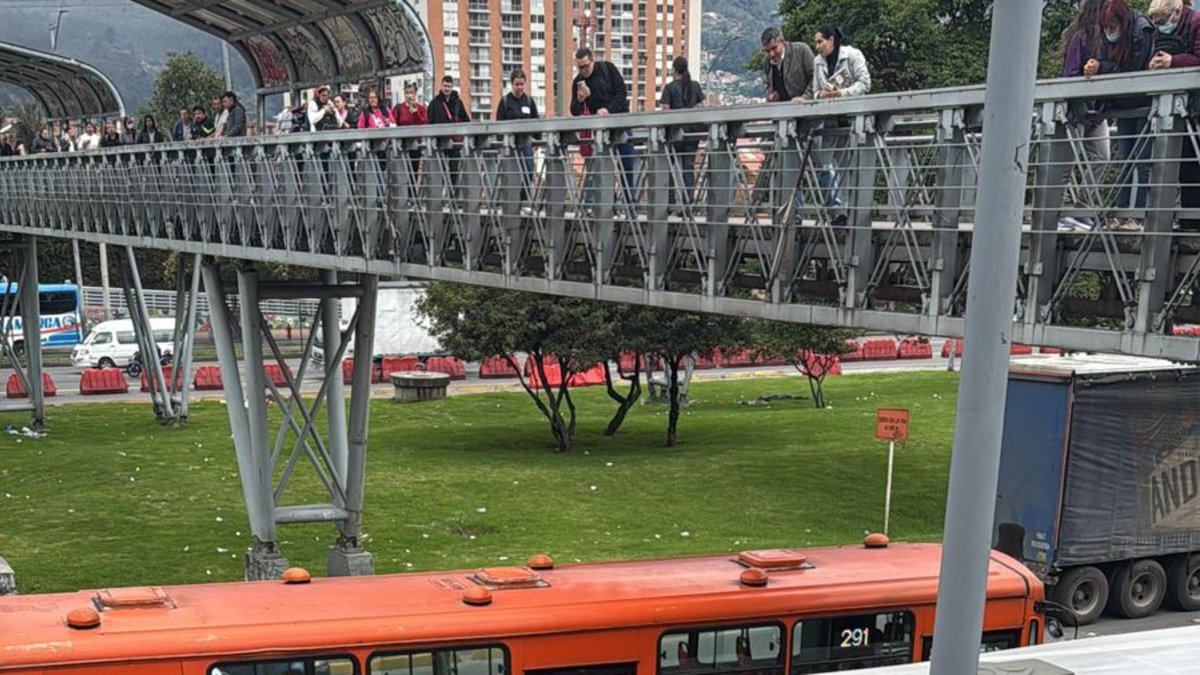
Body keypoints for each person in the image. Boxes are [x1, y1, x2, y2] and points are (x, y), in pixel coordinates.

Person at [1094, 0, 1156, 231]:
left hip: (1143, 102)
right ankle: (1121, 215)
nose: (1110, 32)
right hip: (1124, 103)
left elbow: (1135, 70)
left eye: (1112, 26)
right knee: (1125, 159)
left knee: (1142, 160)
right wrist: (1097, 66)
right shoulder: (1110, 35)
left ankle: (1137, 216)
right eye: (1106, 28)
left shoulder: (1141, 30)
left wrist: (1102, 67)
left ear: (1122, 20)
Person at [1056, 0, 1113, 232]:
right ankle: (1055, 212)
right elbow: (1070, 74)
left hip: (1097, 111)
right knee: (1065, 163)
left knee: (1102, 156)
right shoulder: (1081, 36)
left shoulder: (1108, 38)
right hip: (1078, 109)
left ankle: (1082, 208)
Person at [1148, 0, 1200, 230]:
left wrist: (1173, 61)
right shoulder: (1159, 31)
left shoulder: (1197, 23)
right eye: (1157, 23)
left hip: (1194, 104)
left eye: (1163, 21)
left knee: (1194, 162)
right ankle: (1189, 220)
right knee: (1183, 165)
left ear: (1178, 10)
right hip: (1176, 110)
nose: (1161, 27)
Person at [570, 46, 636, 204]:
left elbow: (622, 93)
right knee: (605, 168)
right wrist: (579, 100)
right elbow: (574, 111)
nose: (584, 70)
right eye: (580, 67)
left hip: (620, 122)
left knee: (626, 162)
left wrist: (608, 109)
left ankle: (629, 202)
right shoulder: (578, 81)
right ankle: (609, 203)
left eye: (586, 66)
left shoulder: (607, 69)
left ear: (592, 61)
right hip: (600, 130)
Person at [659, 56, 704, 211]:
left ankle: (671, 203)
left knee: (671, 168)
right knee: (688, 168)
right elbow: (700, 107)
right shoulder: (695, 86)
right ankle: (688, 204)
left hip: (675, 134)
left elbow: (665, 111)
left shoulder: (670, 88)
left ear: (674, 70)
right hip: (692, 133)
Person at [496, 68, 540, 201]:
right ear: (512, 84)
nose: (519, 87)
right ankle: (510, 199)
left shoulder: (529, 101)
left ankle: (524, 197)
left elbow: (536, 120)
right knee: (511, 172)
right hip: (510, 144)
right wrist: (500, 143)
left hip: (526, 142)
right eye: (517, 84)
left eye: (521, 84)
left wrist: (538, 140)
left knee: (529, 168)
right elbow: (499, 123)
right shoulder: (505, 102)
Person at [428, 75, 472, 198]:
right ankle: (439, 198)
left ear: (452, 87)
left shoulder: (458, 102)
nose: (447, 88)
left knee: (454, 170)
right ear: (441, 86)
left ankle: (454, 197)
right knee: (439, 171)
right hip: (440, 143)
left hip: (455, 143)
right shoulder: (434, 103)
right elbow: (430, 122)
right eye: (445, 86)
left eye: (449, 86)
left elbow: (466, 120)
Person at [809, 26, 871, 99]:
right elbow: (815, 92)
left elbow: (865, 84)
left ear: (831, 40)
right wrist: (820, 95)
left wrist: (841, 93)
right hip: (830, 109)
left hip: (855, 107)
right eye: (816, 43)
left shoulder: (853, 54)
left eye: (820, 42)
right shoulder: (817, 61)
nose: (817, 47)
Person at [761, 26, 814, 104]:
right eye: (767, 51)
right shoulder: (767, 62)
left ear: (782, 42)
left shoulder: (801, 50)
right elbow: (768, 84)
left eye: (774, 48)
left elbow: (815, 77)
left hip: (807, 107)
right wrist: (772, 95)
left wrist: (805, 97)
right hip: (783, 110)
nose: (771, 54)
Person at [395, 82, 428, 186]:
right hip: (402, 144)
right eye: (407, 93)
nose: (409, 95)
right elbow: (393, 123)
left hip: (415, 144)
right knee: (401, 171)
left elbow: (425, 123)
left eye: (412, 93)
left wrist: (415, 113)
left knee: (414, 171)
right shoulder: (398, 108)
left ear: (415, 94)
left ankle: (412, 196)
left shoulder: (421, 108)